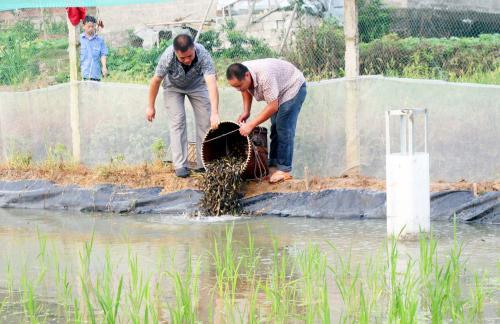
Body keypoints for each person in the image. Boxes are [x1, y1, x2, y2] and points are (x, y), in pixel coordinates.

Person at [147, 33, 220, 178]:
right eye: (182, 58)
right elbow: (155, 81)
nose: (187, 60)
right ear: (175, 52)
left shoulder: (203, 54)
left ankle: (204, 163)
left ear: (194, 48)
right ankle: (180, 165)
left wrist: (215, 112)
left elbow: (211, 83)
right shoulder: (167, 56)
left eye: (190, 56)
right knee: (177, 121)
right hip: (173, 88)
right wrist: (150, 106)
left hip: (197, 86)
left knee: (206, 121)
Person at [226, 58, 306, 183]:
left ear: (247, 75)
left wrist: (251, 125)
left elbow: (273, 107)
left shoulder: (265, 76)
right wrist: (246, 111)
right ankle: (274, 166)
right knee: (275, 127)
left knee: (283, 127)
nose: (238, 89)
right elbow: (245, 89)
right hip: (278, 91)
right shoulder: (243, 72)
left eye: (239, 85)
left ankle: (284, 170)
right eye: (235, 87)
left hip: (293, 87)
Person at [80, 15, 108, 81]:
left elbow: (103, 54)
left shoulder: (99, 40)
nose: (91, 28)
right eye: (88, 26)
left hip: (95, 75)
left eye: (92, 26)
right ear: (83, 26)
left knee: (95, 91)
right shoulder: (79, 39)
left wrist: (104, 67)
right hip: (82, 75)